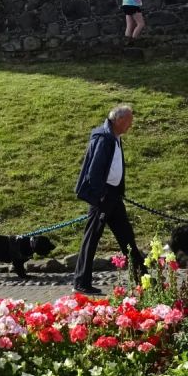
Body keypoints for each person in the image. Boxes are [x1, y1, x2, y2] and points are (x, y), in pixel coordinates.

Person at [71, 104, 145, 294]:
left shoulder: (115, 137)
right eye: (129, 121)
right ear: (119, 120)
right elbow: (94, 172)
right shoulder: (104, 139)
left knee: (126, 237)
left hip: (113, 195)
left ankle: (142, 278)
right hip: (103, 197)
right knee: (92, 238)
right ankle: (81, 282)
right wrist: (101, 195)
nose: (131, 125)